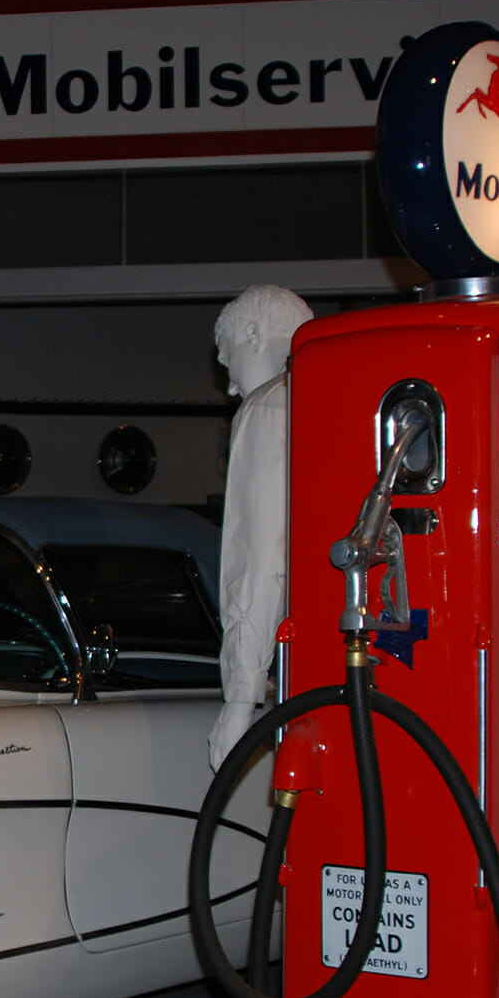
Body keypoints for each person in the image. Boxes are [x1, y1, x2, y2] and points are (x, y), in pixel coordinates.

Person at [208, 285, 313, 771]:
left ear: (254, 335)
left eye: (228, 361)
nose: (230, 386)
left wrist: (240, 697)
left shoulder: (269, 406)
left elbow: (258, 556)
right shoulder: (329, 396)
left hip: (307, 661)